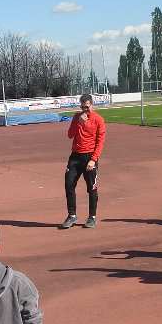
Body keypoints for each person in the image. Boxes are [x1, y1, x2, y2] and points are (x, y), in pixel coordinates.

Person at [61, 93, 105, 229]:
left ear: (92, 105)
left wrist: (93, 159)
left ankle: (92, 217)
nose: (85, 110)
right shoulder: (76, 117)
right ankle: (72, 215)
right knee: (69, 184)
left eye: (87, 107)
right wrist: (78, 123)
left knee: (92, 188)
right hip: (75, 157)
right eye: (82, 107)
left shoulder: (98, 120)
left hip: (90, 157)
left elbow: (100, 142)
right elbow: (70, 135)